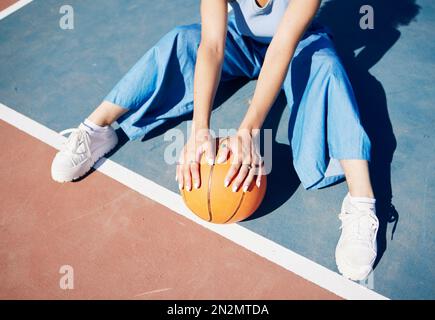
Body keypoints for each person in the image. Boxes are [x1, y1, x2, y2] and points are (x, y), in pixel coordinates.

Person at [50, 0, 378, 281]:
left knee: (327, 68)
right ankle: (97, 128)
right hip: (241, 43)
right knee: (181, 40)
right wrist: (199, 130)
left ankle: (361, 203)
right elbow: (212, 46)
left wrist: (249, 131)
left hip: (297, 46)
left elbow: (281, 47)